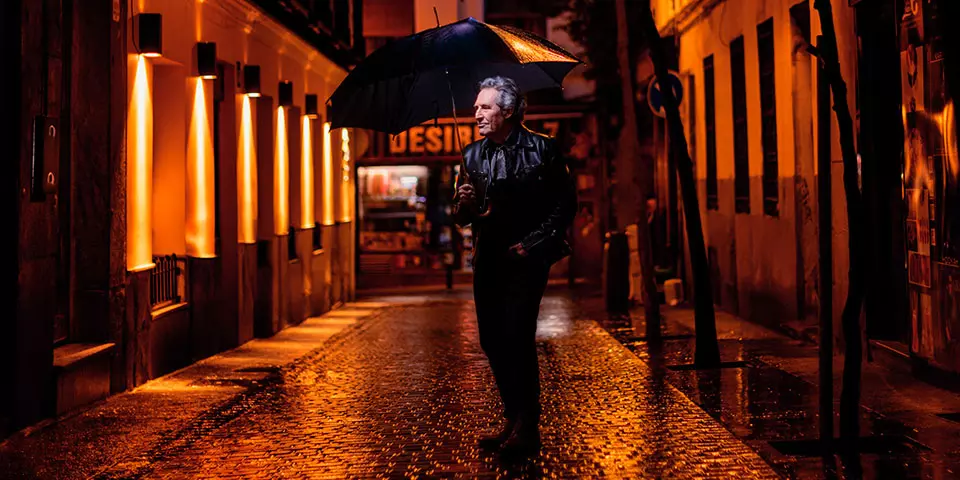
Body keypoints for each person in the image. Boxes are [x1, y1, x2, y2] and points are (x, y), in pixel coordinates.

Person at [453, 76, 577, 457]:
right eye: (475, 107)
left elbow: (565, 206)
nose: (477, 114)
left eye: (485, 107)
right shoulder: (472, 156)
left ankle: (529, 424)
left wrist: (531, 246)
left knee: (518, 335)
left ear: (508, 111)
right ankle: (513, 416)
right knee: (492, 340)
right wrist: (464, 202)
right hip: (488, 259)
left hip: (524, 259)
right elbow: (461, 219)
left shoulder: (543, 150)